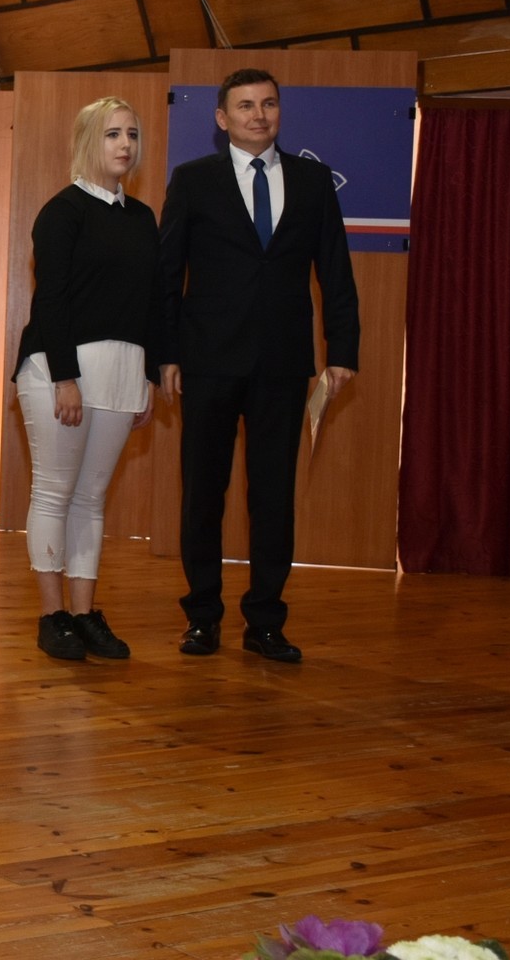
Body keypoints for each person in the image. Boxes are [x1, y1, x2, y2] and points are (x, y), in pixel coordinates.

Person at [159, 68, 360, 663]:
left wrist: (342, 352)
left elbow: (336, 270)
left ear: (279, 112)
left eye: (268, 104)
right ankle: (202, 618)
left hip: (282, 362)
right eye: (245, 106)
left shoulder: (313, 180)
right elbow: (168, 275)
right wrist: (166, 353)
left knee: (272, 496)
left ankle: (266, 622)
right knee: (203, 494)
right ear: (222, 118)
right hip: (207, 360)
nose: (259, 115)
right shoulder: (193, 180)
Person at [12, 96, 163, 662]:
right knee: (54, 492)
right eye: (111, 134)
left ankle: (83, 614)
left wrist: (147, 376)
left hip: (124, 373)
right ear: (86, 142)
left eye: (132, 134)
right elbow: (50, 298)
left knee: (91, 500)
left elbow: (151, 304)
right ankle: (52, 616)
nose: (125, 144)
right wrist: (65, 378)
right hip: (60, 370)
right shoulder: (63, 211)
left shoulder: (143, 218)